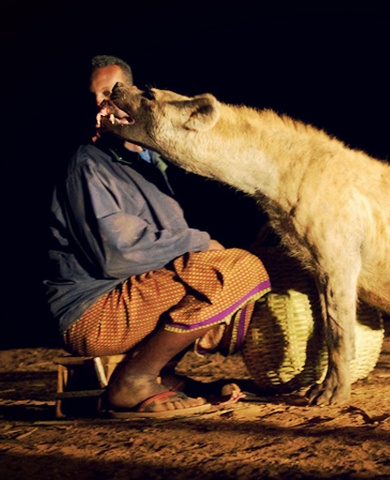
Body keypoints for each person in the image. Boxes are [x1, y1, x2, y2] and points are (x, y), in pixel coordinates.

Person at [43, 55, 271, 418]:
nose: (99, 105)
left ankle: (161, 376)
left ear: (131, 96)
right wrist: (203, 244)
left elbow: (166, 250)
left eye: (109, 93)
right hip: (91, 313)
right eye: (93, 97)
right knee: (239, 268)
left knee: (226, 266)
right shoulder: (88, 163)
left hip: (126, 301)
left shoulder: (149, 164)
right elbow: (116, 254)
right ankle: (135, 379)